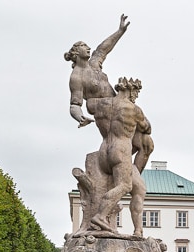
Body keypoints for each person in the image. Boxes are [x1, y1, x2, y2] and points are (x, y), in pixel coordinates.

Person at [65, 14, 154, 234]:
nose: (88, 49)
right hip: (103, 110)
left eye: (87, 46)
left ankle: (137, 225)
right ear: (76, 54)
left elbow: (104, 48)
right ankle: (100, 216)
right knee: (124, 181)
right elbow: (75, 103)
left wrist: (120, 31)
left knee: (146, 144)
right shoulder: (77, 76)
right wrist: (80, 117)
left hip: (114, 118)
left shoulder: (95, 64)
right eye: (83, 47)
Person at [88, 77, 152, 235]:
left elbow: (89, 106)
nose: (136, 96)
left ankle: (138, 230)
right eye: (136, 92)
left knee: (139, 188)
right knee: (125, 186)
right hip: (121, 149)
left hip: (103, 150)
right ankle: (100, 216)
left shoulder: (101, 104)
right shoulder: (133, 109)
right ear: (130, 90)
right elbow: (147, 128)